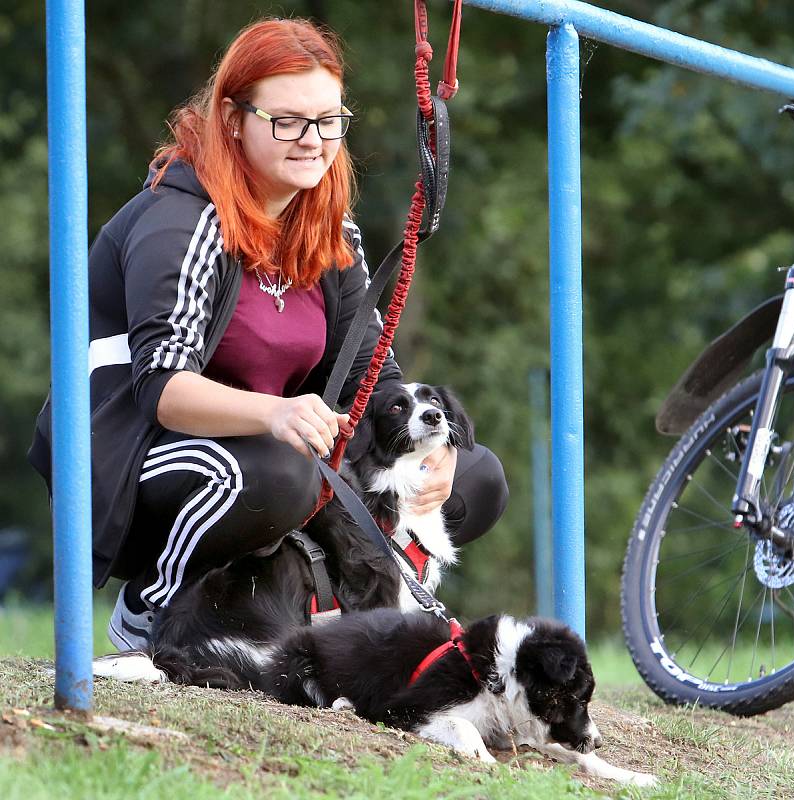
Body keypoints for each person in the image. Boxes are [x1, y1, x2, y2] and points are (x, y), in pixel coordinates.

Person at [29, 17, 508, 652]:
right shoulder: (181, 221)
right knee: (282, 474)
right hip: (139, 454)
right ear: (232, 118)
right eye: (288, 121)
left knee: (477, 478)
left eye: (329, 121)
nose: (313, 141)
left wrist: (436, 447)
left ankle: (314, 600)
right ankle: (152, 609)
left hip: (275, 447)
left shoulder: (329, 229)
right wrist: (276, 412)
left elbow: (373, 371)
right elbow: (162, 389)